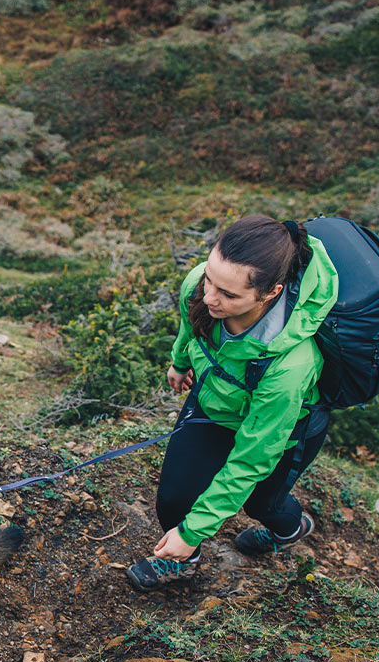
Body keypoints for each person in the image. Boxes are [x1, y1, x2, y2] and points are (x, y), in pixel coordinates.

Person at [127, 215, 339, 592]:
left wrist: (192, 532)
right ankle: (182, 564)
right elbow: (189, 323)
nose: (209, 296)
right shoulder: (200, 285)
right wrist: (180, 361)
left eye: (227, 294)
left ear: (270, 292)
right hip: (215, 404)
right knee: (174, 498)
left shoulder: (290, 365)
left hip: (284, 430)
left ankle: (291, 530)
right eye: (210, 278)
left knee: (261, 504)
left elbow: (251, 458)